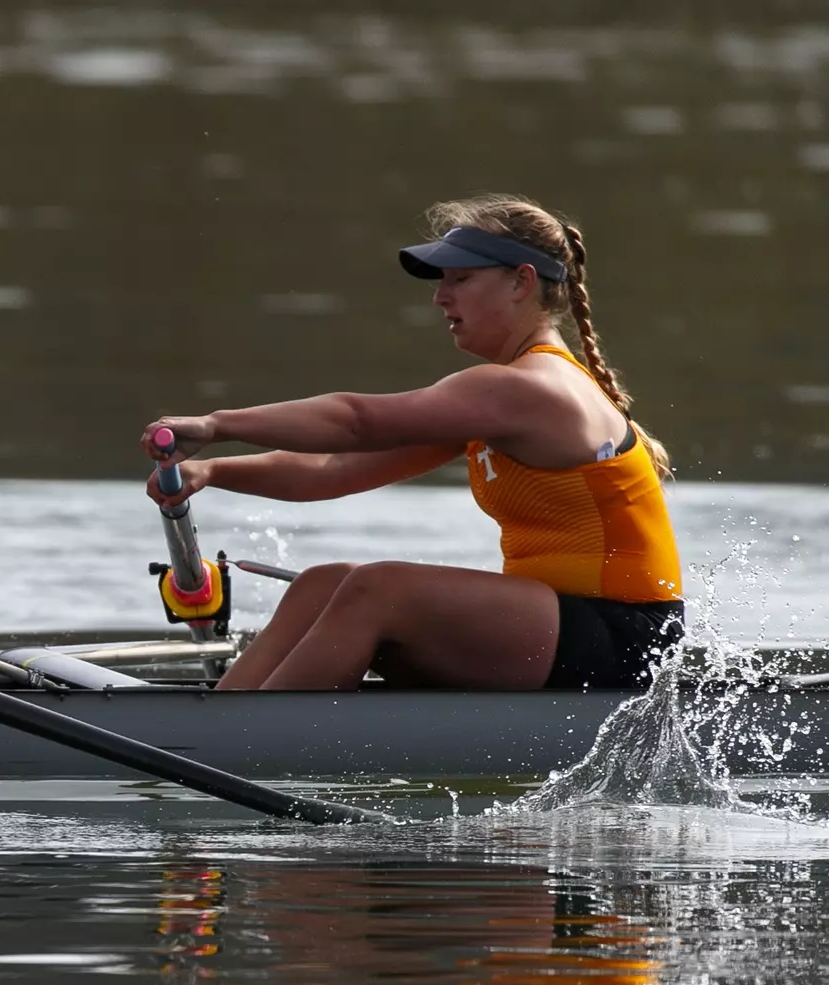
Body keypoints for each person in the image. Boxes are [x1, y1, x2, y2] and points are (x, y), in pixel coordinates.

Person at [143, 194, 682, 691]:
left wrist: (218, 424)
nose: (439, 298)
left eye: (460, 280)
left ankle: (243, 747)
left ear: (520, 282)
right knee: (321, 584)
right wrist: (215, 472)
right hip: (565, 628)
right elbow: (336, 468)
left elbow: (355, 421)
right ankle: (219, 725)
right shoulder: (501, 399)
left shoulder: (529, 388)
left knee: (377, 590)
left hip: (628, 640)